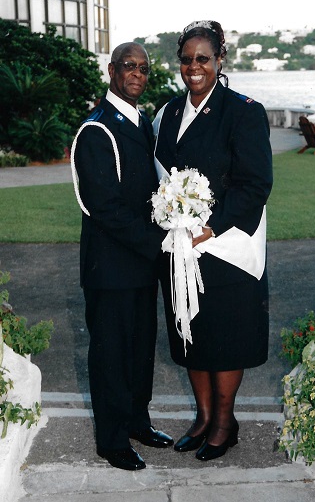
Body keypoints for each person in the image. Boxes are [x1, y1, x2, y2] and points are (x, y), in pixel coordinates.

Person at [154, 21, 273, 461]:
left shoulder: (243, 110)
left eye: (202, 58)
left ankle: (225, 422)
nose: (193, 67)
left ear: (220, 60)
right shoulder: (167, 113)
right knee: (193, 334)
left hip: (225, 246)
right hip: (181, 248)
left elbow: (256, 184)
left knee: (226, 337)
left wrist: (212, 226)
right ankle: (203, 417)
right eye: (186, 59)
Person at [71, 42, 173, 471]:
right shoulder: (96, 130)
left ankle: (136, 421)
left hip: (140, 266)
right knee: (111, 354)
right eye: (128, 66)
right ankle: (111, 440)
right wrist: (159, 242)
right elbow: (104, 207)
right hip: (110, 267)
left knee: (140, 348)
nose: (136, 74)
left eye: (143, 68)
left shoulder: (142, 121)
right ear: (111, 71)